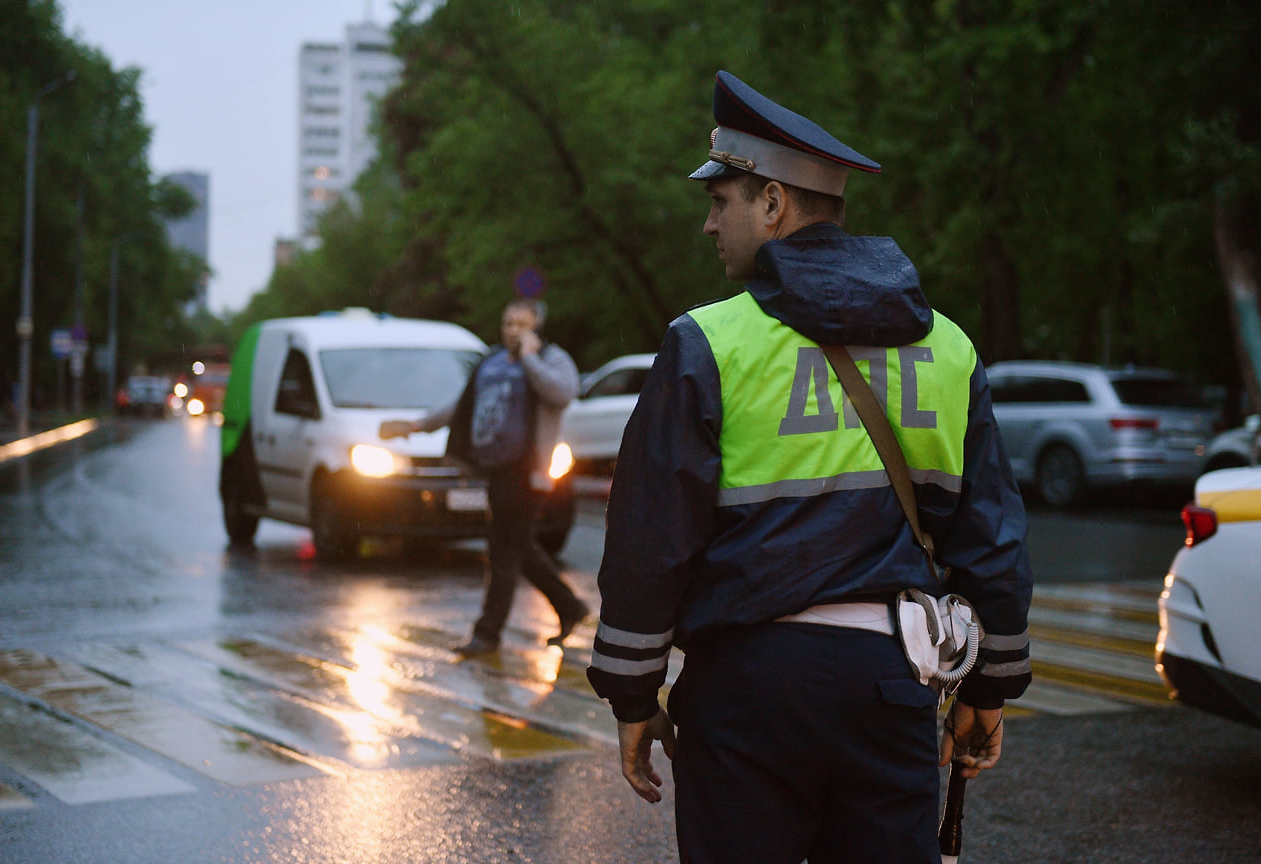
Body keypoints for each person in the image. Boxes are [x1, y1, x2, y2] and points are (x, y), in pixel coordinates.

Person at [586, 70, 1033, 863]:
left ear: (772, 203)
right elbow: (990, 537)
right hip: (891, 688)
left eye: (719, 200)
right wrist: (987, 690)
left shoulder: (708, 344)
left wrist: (633, 691)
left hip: (746, 692)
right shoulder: (950, 348)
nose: (707, 224)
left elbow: (650, 537)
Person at [380, 298, 589, 656]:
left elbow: (562, 392)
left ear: (536, 327)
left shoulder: (551, 358)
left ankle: (488, 634)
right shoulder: (490, 362)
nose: (512, 331)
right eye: (508, 324)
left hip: (526, 471)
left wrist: (529, 357)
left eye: (521, 325)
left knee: (503, 550)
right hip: (495, 469)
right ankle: (569, 607)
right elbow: (463, 405)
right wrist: (416, 425)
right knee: (518, 547)